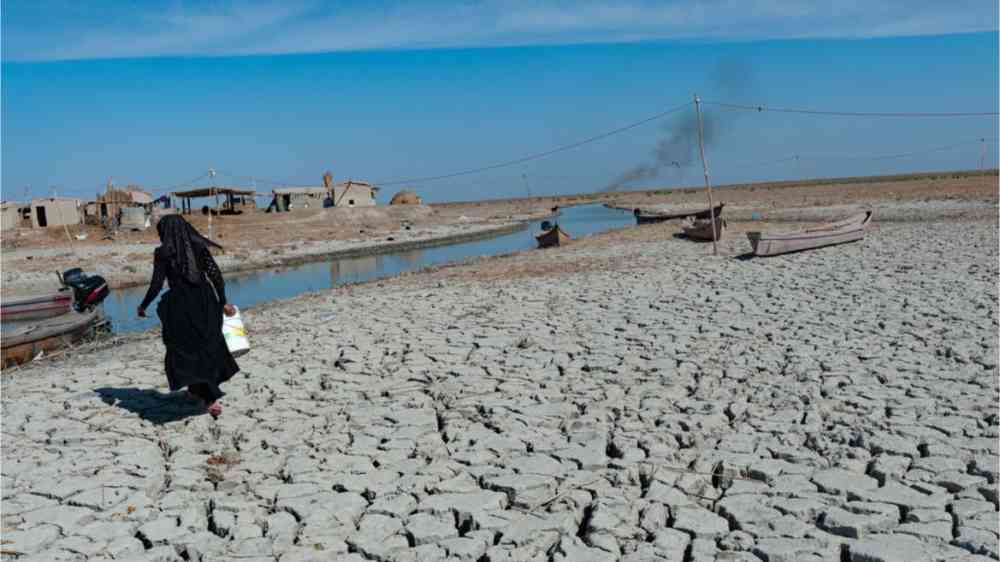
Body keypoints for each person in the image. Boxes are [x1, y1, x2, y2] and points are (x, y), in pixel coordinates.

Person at [138, 215, 239, 416]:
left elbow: (156, 284)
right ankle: (198, 391)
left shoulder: (163, 252)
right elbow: (215, 275)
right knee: (208, 345)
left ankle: (210, 398)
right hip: (206, 300)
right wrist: (222, 301)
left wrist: (143, 305)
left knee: (185, 350)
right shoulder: (198, 245)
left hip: (180, 305)